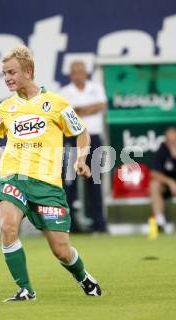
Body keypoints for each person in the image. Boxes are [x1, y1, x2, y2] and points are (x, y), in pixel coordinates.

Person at [0, 45, 102, 301]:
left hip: (47, 185)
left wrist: (82, 159)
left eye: (12, 72)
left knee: (61, 251)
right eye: (4, 73)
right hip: (13, 178)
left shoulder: (56, 103)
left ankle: (83, 276)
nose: (7, 78)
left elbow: (81, 132)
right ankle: (25, 290)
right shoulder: (5, 109)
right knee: (7, 227)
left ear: (28, 71)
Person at [59, 61, 107, 233]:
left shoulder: (96, 88)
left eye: (81, 71)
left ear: (86, 73)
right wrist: (87, 109)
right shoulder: (64, 92)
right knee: (69, 183)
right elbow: (65, 114)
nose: (78, 75)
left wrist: (77, 111)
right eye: (75, 72)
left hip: (93, 138)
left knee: (95, 181)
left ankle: (99, 224)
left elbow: (101, 105)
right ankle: (69, 225)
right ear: (71, 75)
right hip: (72, 140)